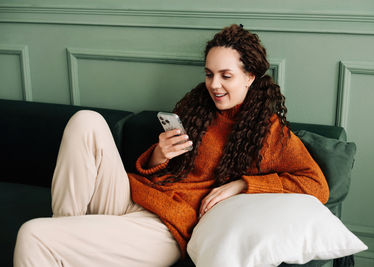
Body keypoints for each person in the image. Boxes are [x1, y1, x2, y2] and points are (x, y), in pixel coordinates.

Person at [14, 24, 329, 267]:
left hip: (167, 229)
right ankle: (66, 233)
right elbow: (156, 169)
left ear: (249, 77)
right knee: (86, 120)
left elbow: (316, 185)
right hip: (134, 195)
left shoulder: (269, 132)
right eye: (209, 74)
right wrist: (159, 153)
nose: (214, 85)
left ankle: (59, 243)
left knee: (33, 234)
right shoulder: (196, 106)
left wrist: (241, 185)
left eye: (226, 76)